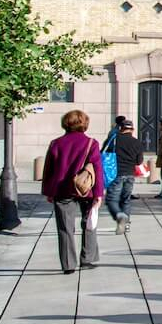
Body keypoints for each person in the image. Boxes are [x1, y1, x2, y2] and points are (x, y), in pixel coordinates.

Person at [41, 110, 104, 274]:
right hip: (86, 189)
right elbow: (97, 168)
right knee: (89, 223)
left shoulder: (56, 143)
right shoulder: (91, 143)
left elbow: (48, 169)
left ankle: (68, 264)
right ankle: (88, 258)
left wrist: (49, 191)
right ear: (85, 123)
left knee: (64, 227)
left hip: (62, 190)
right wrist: (98, 193)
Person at [104, 118, 144, 234]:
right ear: (132, 129)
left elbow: (104, 153)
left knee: (111, 199)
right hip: (130, 174)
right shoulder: (137, 142)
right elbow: (139, 161)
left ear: (121, 128)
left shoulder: (114, 140)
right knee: (125, 200)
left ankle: (119, 215)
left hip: (115, 174)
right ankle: (126, 225)